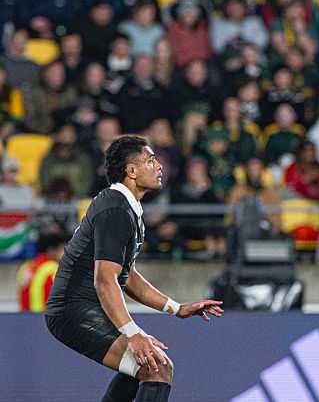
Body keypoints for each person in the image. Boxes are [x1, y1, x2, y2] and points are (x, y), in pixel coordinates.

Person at [44, 135, 224, 402]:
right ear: (131, 171)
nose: (159, 165)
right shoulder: (116, 209)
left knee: (144, 367)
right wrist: (133, 333)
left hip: (83, 307)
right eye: (150, 160)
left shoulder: (125, 206)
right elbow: (105, 280)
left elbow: (127, 277)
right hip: (74, 309)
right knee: (157, 367)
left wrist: (176, 308)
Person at [18, 231, 65, 312]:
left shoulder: (26, 267)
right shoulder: (54, 269)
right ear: (51, 250)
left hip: (24, 318)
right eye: (62, 249)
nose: (65, 253)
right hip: (44, 319)